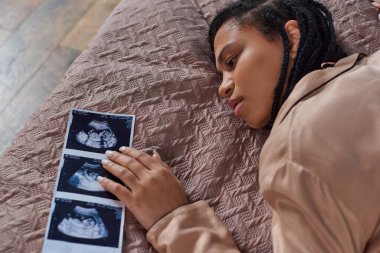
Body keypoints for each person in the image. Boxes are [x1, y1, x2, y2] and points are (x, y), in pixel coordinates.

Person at [96, 0, 380, 252]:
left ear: (291, 37)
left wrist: (173, 220)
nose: (223, 88)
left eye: (232, 60)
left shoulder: (296, 149)